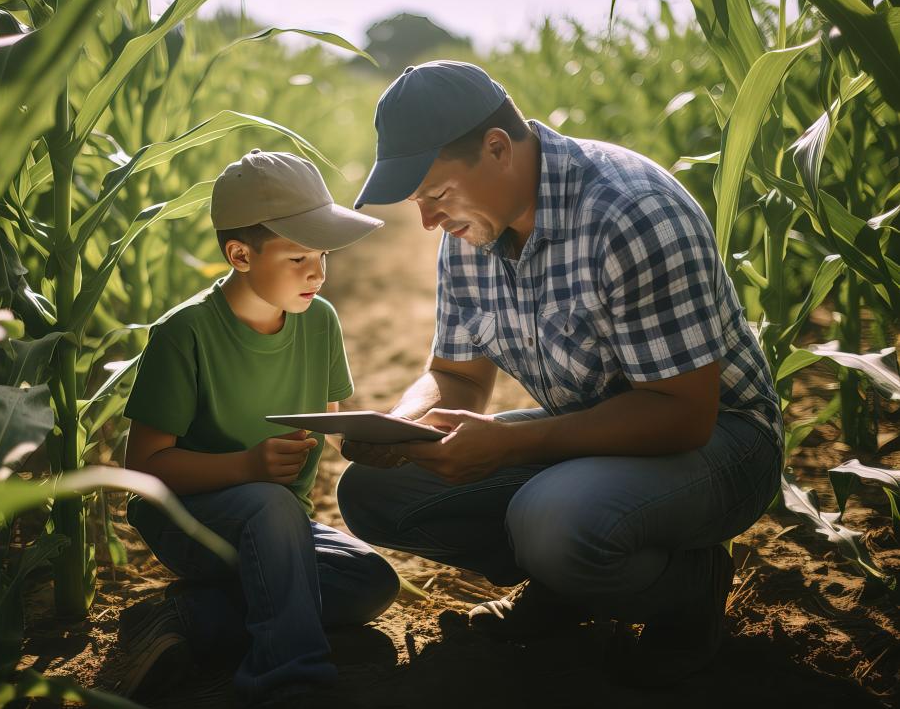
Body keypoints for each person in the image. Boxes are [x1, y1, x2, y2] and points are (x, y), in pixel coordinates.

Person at [335, 60, 783, 685]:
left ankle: (687, 588)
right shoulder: (471, 237)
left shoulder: (630, 213)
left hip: (720, 442)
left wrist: (513, 443)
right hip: (590, 438)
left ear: (497, 149)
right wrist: (401, 427)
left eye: (435, 196)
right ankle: (567, 588)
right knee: (374, 492)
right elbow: (457, 376)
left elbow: (682, 413)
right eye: (419, 203)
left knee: (553, 521)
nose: (429, 222)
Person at [119, 149, 399, 705]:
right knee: (268, 506)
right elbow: (143, 469)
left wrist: (371, 438)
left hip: (280, 526)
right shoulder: (186, 334)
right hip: (192, 520)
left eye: (323, 255)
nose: (318, 272)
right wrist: (245, 467)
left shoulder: (319, 320)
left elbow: (325, 420)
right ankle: (290, 676)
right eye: (298, 258)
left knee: (370, 582)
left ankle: (185, 618)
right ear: (240, 255)